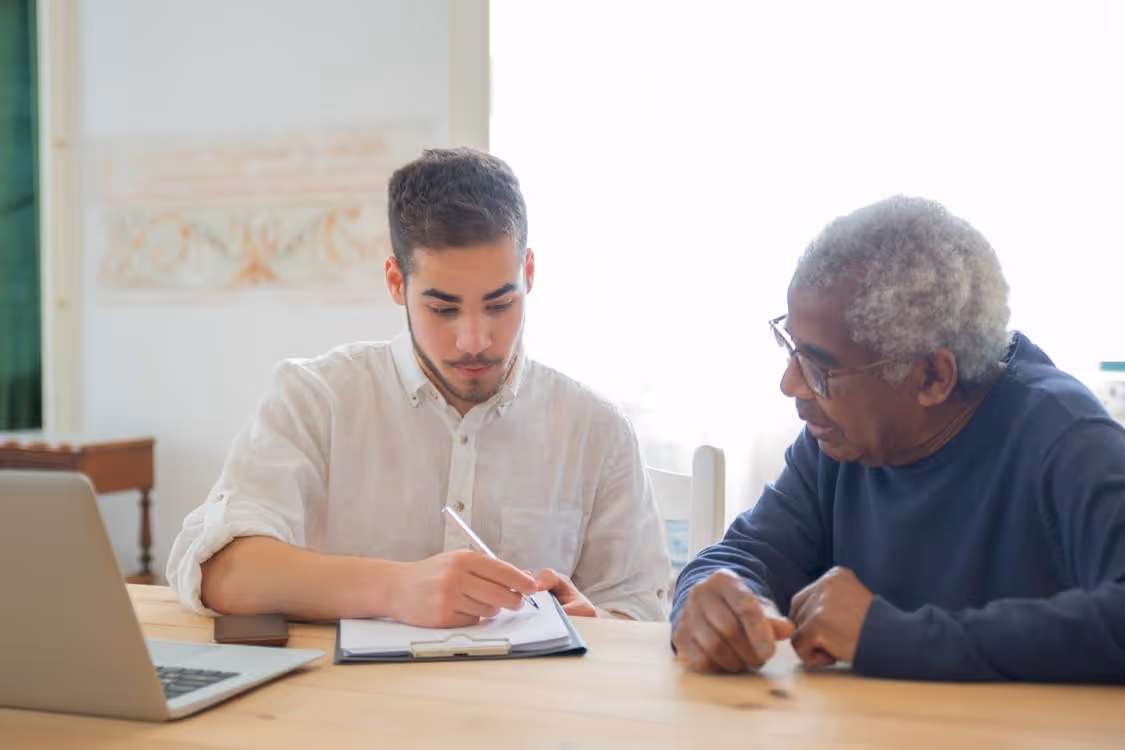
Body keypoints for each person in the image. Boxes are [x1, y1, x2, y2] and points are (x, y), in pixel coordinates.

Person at [167, 147, 671, 627]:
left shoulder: (596, 429)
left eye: (499, 304)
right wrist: (396, 588)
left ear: (529, 273)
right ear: (395, 282)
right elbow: (217, 569)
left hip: (532, 709)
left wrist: (593, 620)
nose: (475, 340)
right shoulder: (316, 398)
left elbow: (641, 609)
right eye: (443, 308)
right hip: (345, 709)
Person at [671, 196, 1125, 682]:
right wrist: (713, 597)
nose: (792, 386)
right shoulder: (839, 440)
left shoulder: (1066, 439)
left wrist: (889, 636)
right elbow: (745, 554)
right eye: (791, 348)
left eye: (819, 369)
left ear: (931, 376)